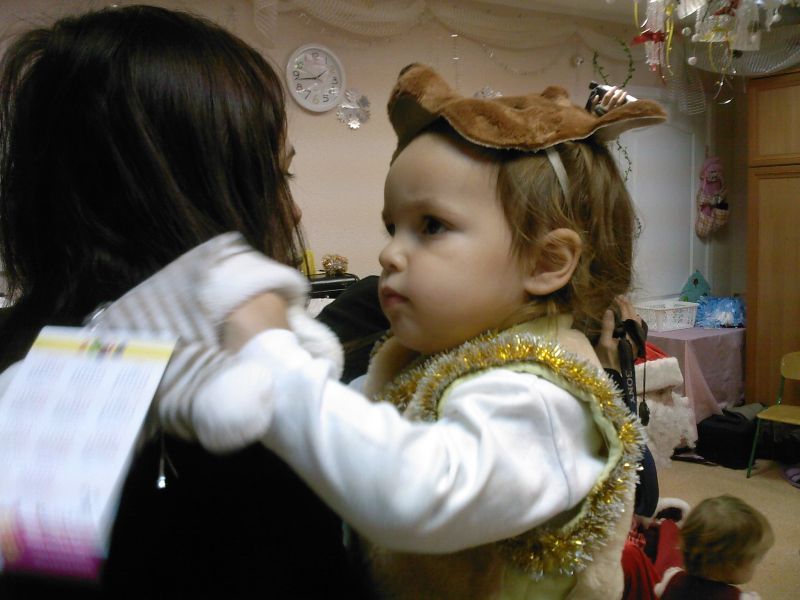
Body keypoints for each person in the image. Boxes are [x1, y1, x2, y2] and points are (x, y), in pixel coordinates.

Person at [169, 63, 669, 599]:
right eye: (393, 227)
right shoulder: (438, 354)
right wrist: (289, 349)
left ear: (546, 262)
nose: (389, 253)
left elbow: (415, 491)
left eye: (431, 226)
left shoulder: (542, 399)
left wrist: (275, 359)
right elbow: (357, 426)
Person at [0, 5, 366, 598]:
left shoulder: (22, 350)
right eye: (278, 177)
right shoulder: (234, 407)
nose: (293, 209)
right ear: (185, 194)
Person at [655, 495, 774, 599]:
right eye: (757, 559)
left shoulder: (671, 578)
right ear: (729, 567)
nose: (759, 563)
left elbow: (657, 591)